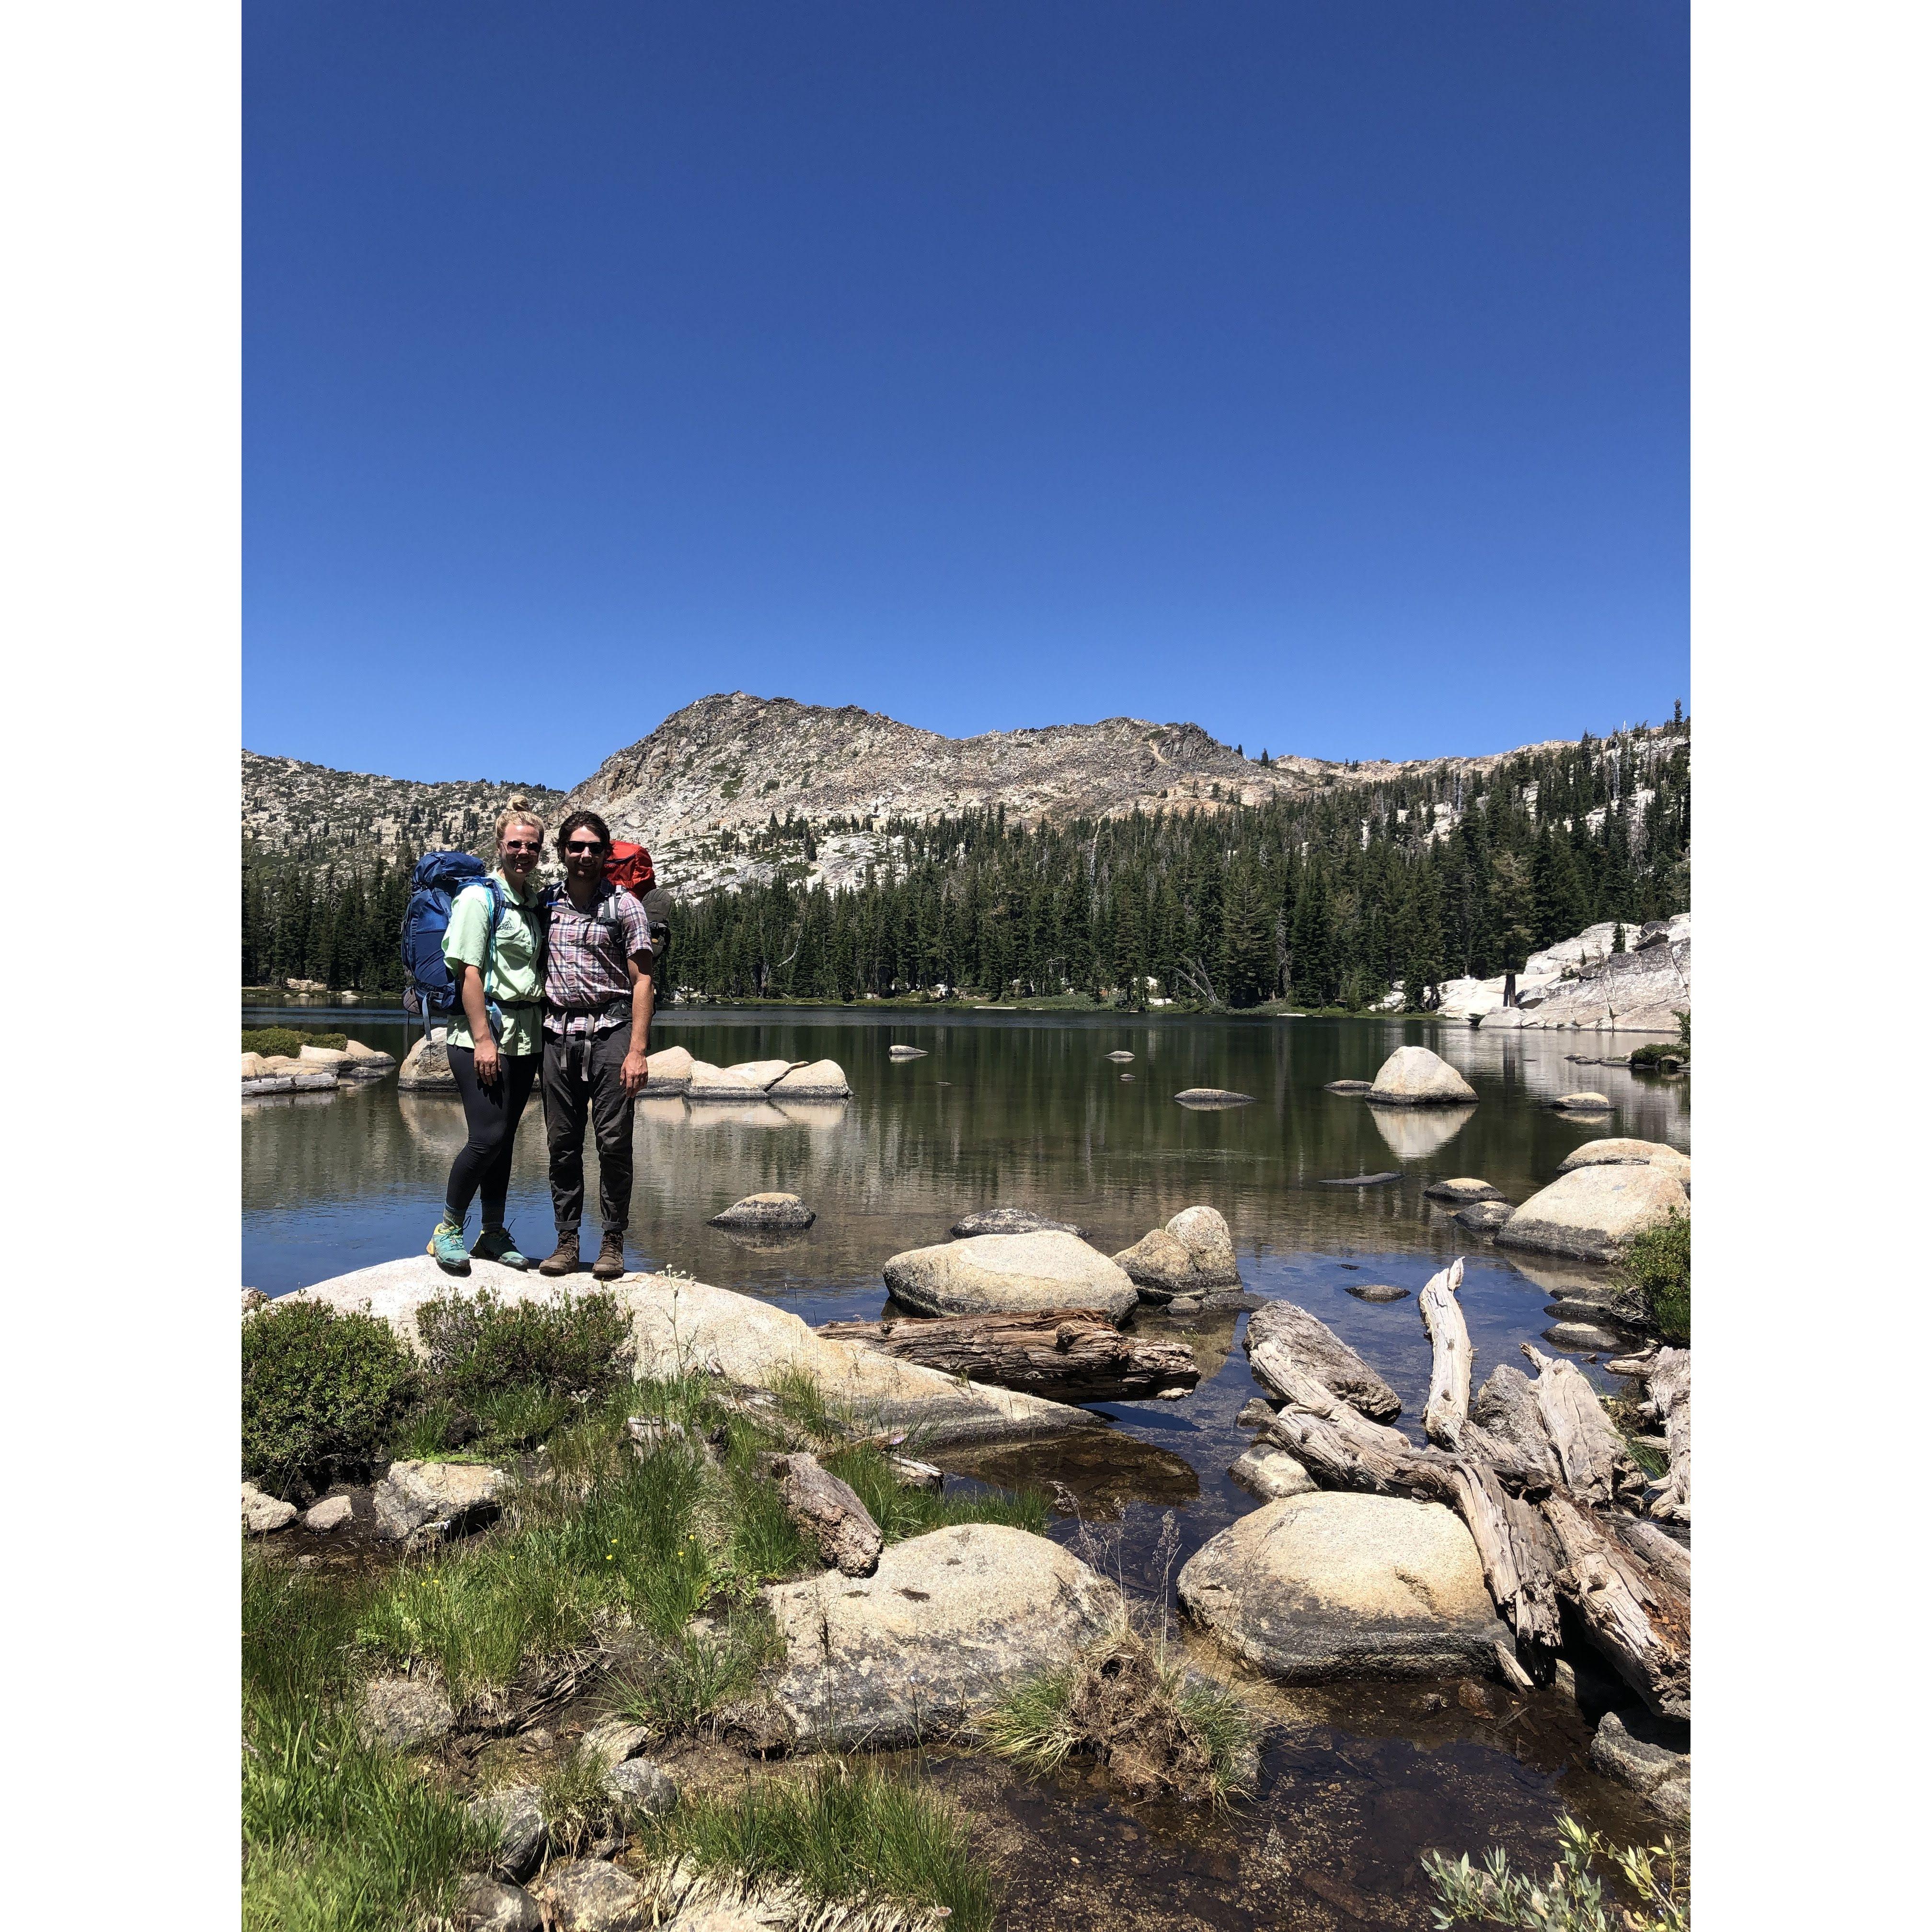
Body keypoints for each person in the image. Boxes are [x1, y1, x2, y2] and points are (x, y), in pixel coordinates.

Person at [428, 801, 549, 1273]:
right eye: (515, 844)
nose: (523, 852)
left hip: (526, 1037)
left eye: (532, 846)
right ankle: (447, 1231)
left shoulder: (533, 904)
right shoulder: (480, 899)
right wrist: (483, 1040)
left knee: (506, 1139)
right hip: (482, 1036)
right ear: (500, 845)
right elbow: (469, 973)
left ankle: (493, 1233)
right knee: (487, 1137)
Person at [537, 809, 656, 1280]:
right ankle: (566, 1243)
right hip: (557, 1037)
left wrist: (638, 1050)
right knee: (562, 1145)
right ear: (563, 852)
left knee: (613, 1144)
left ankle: (612, 1242)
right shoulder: (546, 905)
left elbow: (643, 979)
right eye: (576, 847)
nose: (584, 855)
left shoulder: (625, 906)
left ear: (606, 854)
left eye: (593, 848)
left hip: (611, 1034)